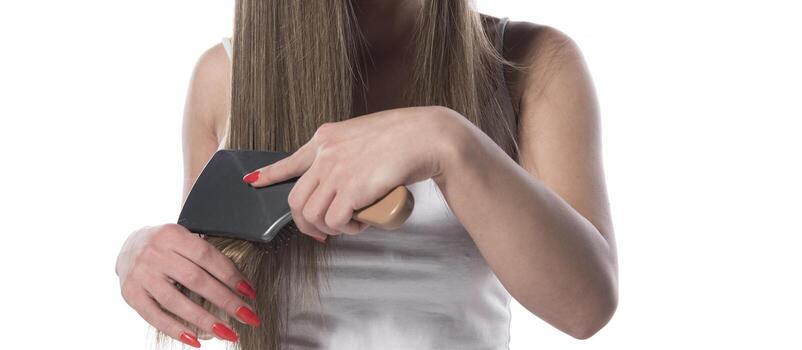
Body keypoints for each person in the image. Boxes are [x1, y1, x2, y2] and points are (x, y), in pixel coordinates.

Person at [116, 1, 618, 348]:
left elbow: (585, 307)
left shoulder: (531, 64)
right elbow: (212, 290)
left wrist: (447, 141)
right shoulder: (224, 77)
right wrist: (140, 254)